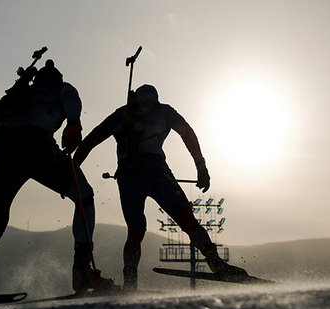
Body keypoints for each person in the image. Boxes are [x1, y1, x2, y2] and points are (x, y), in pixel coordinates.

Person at [0, 59, 114, 295]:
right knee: (84, 197)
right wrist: (74, 123)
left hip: (4, 153)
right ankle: (82, 270)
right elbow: (71, 100)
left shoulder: (11, 102)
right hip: (37, 146)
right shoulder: (60, 89)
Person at [73, 84, 248, 291]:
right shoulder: (164, 111)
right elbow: (187, 133)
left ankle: (130, 281)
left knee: (135, 232)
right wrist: (201, 166)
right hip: (156, 171)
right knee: (188, 221)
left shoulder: (122, 113)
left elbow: (91, 140)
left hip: (128, 177)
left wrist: (73, 171)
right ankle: (216, 264)